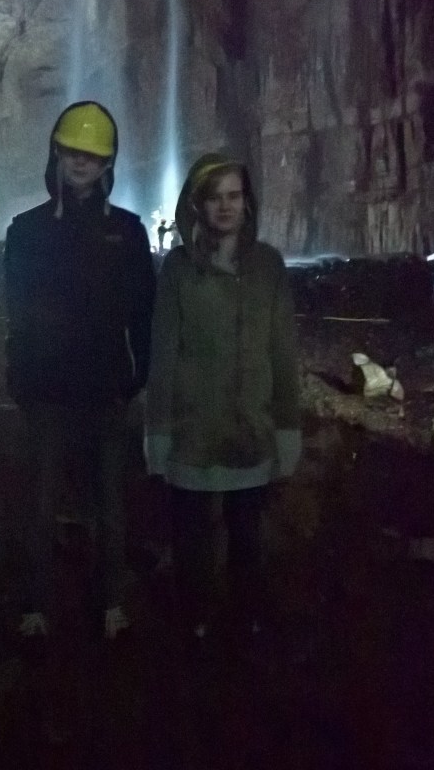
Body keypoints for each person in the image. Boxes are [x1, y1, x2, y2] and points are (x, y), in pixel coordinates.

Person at [4, 101, 156, 640]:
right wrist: (20, 377)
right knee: (42, 503)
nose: (82, 161)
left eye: (92, 154)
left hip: (105, 389)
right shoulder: (27, 232)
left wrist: (136, 377)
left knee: (110, 503)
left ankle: (112, 602)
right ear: (57, 153)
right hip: (47, 390)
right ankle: (35, 606)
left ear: (107, 162)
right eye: (73, 151)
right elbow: (16, 312)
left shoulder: (129, 234)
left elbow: (143, 314)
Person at [145, 153, 301, 641]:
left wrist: (287, 425)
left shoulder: (269, 266)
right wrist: (158, 430)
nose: (225, 206)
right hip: (193, 429)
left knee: (247, 536)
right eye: (214, 197)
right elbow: (163, 353)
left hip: (250, 427)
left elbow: (282, 352)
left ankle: (246, 622)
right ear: (197, 205)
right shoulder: (177, 269)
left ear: (247, 202)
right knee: (190, 538)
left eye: (234, 196)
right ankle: (196, 624)